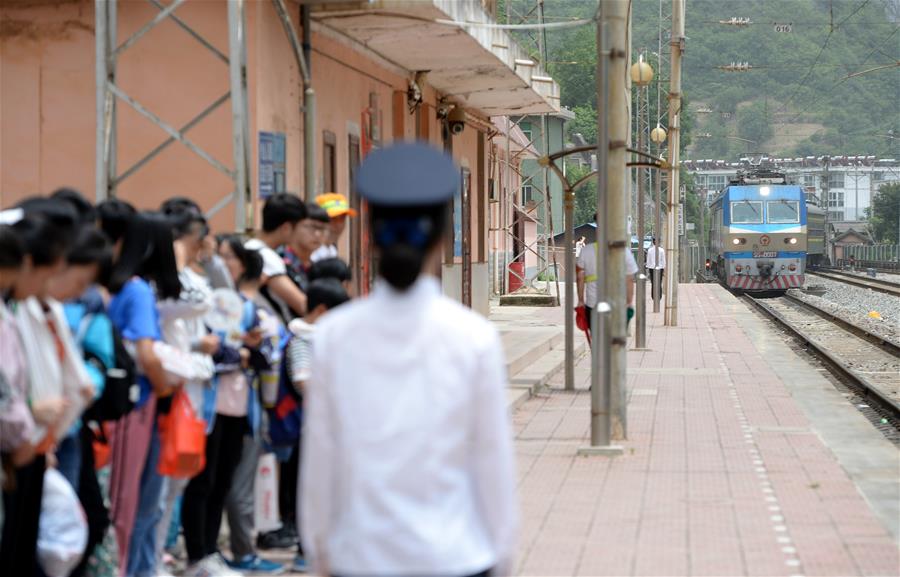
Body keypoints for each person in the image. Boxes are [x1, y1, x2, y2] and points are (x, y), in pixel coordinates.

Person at [300, 143, 518, 577]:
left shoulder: (332, 336)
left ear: (370, 234)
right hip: (456, 556)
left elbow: (321, 458)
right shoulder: (474, 338)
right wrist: (502, 552)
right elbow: (492, 460)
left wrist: (321, 551)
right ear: (444, 235)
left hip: (360, 558)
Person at [103, 211, 181, 577]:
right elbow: (146, 353)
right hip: (137, 403)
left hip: (124, 400)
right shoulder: (136, 290)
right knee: (133, 500)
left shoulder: (117, 286)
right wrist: (165, 386)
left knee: (135, 498)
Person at [216, 236, 285, 575]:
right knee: (239, 483)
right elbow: (271, 368)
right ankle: (242, 552)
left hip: (226, 405)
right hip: (246, 408)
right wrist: (269, 408)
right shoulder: (257, 311)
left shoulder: (240, 308)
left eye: (225, 257)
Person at [246, 193, 309, 322]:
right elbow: (302, 305)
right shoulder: (267, 258)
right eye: (301, 227)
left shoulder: (249, 247)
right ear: (286, 228)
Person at [575, 214, 639, 341]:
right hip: (617, 305)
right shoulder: (624, 251)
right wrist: (629, 302)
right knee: (614, 341)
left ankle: (597, 351)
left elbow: (580, 278)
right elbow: (629, 279)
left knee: (596, 339)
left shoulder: (586, 251)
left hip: (593, 305)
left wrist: (581, 300)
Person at [280, 203, 330, 295]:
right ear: (293, 227)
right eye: (311, 227)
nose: (318, 234)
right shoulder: (279, 262)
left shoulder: (316, 267)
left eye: (323, 229)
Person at [311, 192, 356, 262]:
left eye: (342, 219)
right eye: (333, 218)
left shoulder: (332, 251)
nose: (338, 225)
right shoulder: (309, 253)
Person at [645, 236, 666, 301]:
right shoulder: (662, 250)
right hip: (660, 268)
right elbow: (663, 261)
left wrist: (648, 267)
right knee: (659, 282)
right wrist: (663, 268)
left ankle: (653, 296)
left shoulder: (650, 250)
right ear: (659, 242)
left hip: (652, 268)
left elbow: (648, 260)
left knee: (653, 282)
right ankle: (659, 296)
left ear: (653, 242)